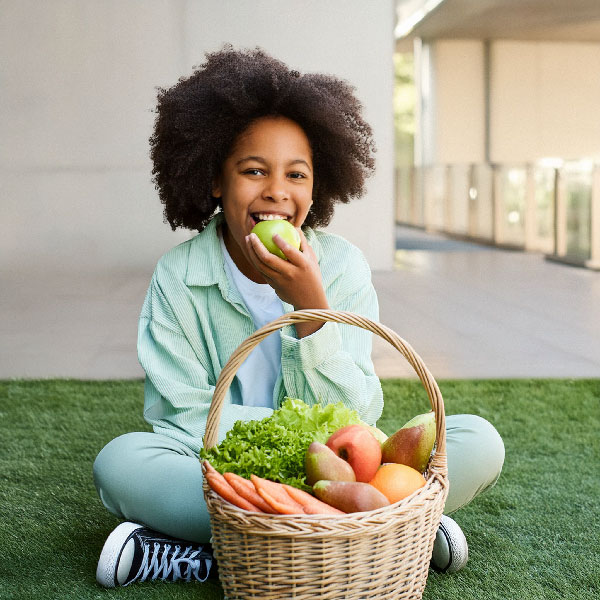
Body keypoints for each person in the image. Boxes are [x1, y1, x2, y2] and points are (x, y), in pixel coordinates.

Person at [93, 46, 504, 588]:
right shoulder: (178, 278)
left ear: (318, 184)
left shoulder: (342, 266)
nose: (277, 192)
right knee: (121, 462)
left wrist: (312, 309)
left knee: (477, 439)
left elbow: (358, 412)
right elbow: (183, 416)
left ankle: (222, 552)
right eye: (253, 170)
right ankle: (386, 532)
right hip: (232, 474)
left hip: (336, 471)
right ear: (216, 180)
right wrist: (284, 458)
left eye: (297, 175)